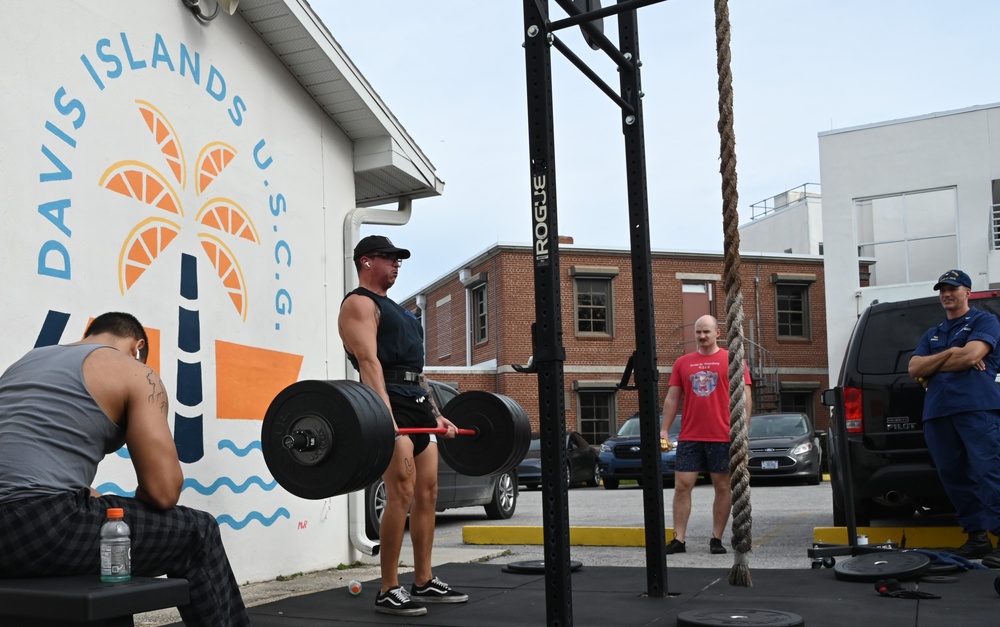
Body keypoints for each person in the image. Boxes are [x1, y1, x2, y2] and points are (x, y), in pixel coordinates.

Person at [0, 312, 249, 626]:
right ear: (138, 347)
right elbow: (163, 492)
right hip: (41, 528)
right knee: (198, 532)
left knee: (107, 535)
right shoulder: (134, 371)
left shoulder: (27, 362)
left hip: (16, 533)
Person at [338, 235, 468, 616]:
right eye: (389, 258)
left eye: (399, 260)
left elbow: (418, 374)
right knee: (402, 491)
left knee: (428, 492)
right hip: (388, 403)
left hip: (416, 405)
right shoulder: (359, 304)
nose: (397, 265)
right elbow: (368, 362)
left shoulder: (403, 313)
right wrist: (385, 416)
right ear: (366, 262)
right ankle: (388, 587)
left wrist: (436, 413)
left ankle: (424, 580)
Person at [908, 269, 1000, 565]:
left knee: (989, 472)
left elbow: (971, 356)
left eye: (953, 288)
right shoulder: (932, 332)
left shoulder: (985, 321)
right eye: (942, 290)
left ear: (967, 292)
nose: (946, 294)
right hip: (937, 413)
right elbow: (914, 369)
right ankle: (977, 539)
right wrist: (953, 354)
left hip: (976, 408)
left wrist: (934, 363)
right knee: (954, 476)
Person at [659, 315, 752, 556]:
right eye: (698, 332)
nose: (702, 336)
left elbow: (746, 397)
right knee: (682, 485)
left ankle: (716, 538)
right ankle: (678, 539)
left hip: (723, 435)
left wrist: (744, 430)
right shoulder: (683, 362)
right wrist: (665, 430)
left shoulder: (733, 360)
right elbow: (672, 398)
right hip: (691, 435)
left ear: (717, 333)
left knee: (722, 486)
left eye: (706, 331)